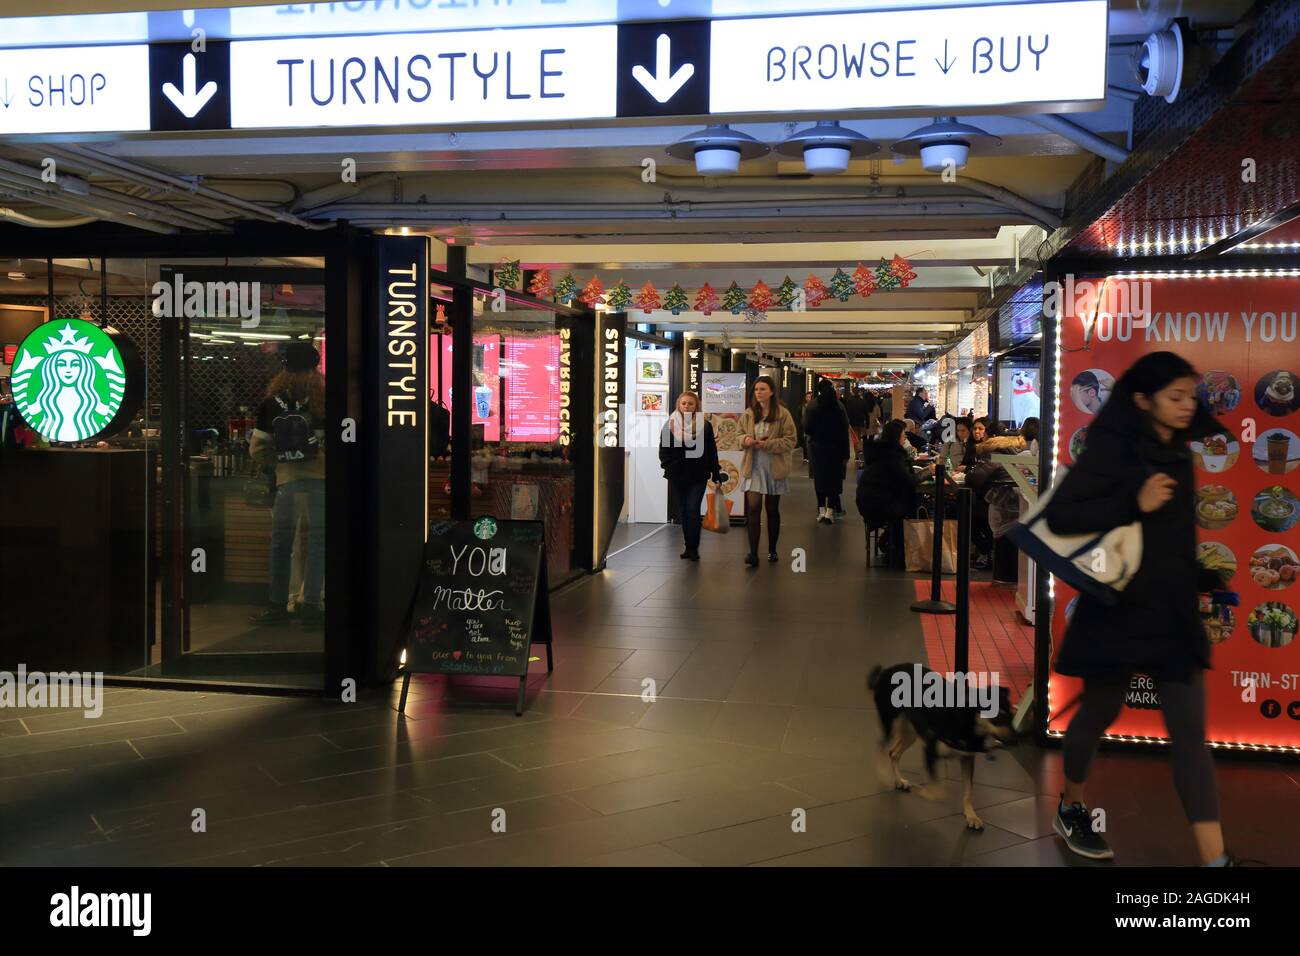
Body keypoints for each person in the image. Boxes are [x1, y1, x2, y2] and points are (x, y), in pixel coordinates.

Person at [1043, 351, 1237, 866]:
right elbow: (1063, 517)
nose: (1185, 406)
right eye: (1175, 397)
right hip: (1117, 611)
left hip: (1171, 614)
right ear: (1142, 399)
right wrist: (1134, 501)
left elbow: (1170, 536)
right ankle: (1072, 805)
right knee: (1100, 709)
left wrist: (1199, 576)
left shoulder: (1180, 454)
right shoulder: (1112, 450)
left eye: (1190, 397)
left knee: (1191, 738)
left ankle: (1216, 862)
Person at [249, 342, 326, 629]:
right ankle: (311, 603)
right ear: (315, 367)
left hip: (287, 483)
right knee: (319, 542)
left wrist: (278, 464)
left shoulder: (272, 402)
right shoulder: (324, 398)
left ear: (284, 368)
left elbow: (257, 448)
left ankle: (278, 604)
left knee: (282, 544)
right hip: (320, 481)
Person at [738, 375, 799, 566]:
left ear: (772, 392)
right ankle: (753, 553)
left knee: (772, 509)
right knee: (753, 508)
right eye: (756, 390)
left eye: (763, 389)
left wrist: (769, 444)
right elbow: (738, 435)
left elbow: (791, 440)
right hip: (753, 465)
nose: (759, 393)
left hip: (774, 466)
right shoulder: (748, 414)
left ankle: (772, 549)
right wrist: (747, 440)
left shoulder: (783, 414)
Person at [857, 419, 933, 565]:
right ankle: (901, 549)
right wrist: (928, 471)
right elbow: (908, 481)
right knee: (915, 508)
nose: (905, 437)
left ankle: (889, 542)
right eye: (903, 435)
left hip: (868, 501)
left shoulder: (879, 453)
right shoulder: (892, 456)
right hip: (882, 505)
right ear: (896, 437)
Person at [659, 391, 724, 561]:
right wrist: (670, 468)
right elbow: (664, 451)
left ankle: (694, 548)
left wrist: (715, 471)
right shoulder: (670, 425)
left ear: (696, 406)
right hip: (677, 476)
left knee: (692, 509)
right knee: (683, 512)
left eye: (691, 404)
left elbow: (711, 451)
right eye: (684, 403)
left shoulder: (705, 425)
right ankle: (688, 546)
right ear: (678, 405)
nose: (687, 406)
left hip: (698, 476)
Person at [804, 379, 851, 524]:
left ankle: (821, 511)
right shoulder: (838, 407)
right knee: (834, 481)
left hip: (817, 449)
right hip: (836, 449)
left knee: (820, 480)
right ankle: (830, 512)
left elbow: (806, 428)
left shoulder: (812, 406)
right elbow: (844, 431)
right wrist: (846, 453)